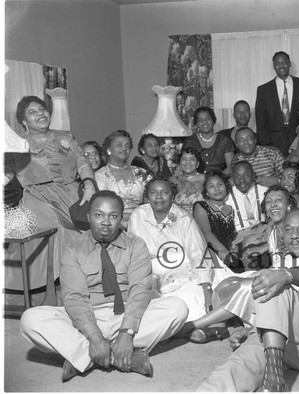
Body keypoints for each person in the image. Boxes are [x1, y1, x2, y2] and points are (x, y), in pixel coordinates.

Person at [20, 191, 188, 382]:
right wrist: (94, 336)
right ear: (88, 216)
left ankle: (82, 356)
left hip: (127, 314)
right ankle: (122, 356)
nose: (106, 222)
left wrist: (127, 332)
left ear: (121, 218)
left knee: (178, 308)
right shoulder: (73, 249)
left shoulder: (136, 245)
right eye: (99, 215)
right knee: (31, 319)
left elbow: (139, 290)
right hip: (88, 317)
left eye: (113, 216)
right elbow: (74, 297)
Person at [197, 209, 299, 392]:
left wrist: (285, 276)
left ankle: (274, 376)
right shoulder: (279, 265)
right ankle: (270, 375)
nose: (294, 236)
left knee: (273, 283)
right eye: (288, 230)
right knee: (232, 370)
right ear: (282, 235)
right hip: (282, 344)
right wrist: (253, 330)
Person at [179, 185, 297, 342]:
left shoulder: (296, 226)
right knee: (227, 283)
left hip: (293, 281)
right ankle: (219, 328)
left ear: (289, 205)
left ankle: (193, 325)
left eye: (278, 201)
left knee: (247, 287)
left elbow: (296, 262)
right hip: (274, 274)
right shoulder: (273, 229)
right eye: (269, 202)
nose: (273, 205)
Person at [4, 96, 96, 291]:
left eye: (42, 109)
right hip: (36, 198)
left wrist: (89, 184)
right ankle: (43, 292)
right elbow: (6, 173)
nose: (40, 114)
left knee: (87, 232)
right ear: (23, 122)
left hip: (70, 193)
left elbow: (82, 162)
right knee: (45, 237)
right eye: (32, 112)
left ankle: (87, 285)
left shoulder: (66, 137)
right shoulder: (16, 143)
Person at [128, 177, 221, 324]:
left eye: (164, 192)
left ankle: (194, 326)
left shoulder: (184, 219)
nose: (159, 197)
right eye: (153, 192)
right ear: (147, 196)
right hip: (149, 271)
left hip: (183, 270)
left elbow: (198, 253)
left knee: (197, 301)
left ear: (173, 196)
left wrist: (207, 288)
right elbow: (132, 252)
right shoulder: (137, 215)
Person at [255, 51, 299, 155]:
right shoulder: (263, 90)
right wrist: (266, 145)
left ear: (289, 64)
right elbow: (261, 122)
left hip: (298, 139)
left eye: (284, 62)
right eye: (277, 63)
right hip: (273, 142)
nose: (281, 66)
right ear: (273, 66)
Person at [95, 130, 149, 228]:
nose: (124, 148)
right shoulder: (101, 175)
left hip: (142, 223)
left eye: (127, 146)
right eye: (119, 145)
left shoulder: (141, 172)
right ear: (108, 149)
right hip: (112, 225)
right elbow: (101, 206)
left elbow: (149, 201)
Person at [193, 169, 236, 264]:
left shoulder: (231, 209)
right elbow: (205, 232)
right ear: (206, 191)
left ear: (226, 187)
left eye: (220, 184)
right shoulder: (201, 206)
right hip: (209, 254)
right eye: (211, 186)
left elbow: (233, 236)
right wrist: (221, 249)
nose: (217, 189)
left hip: (230, 255)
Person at [183, 106, 234, 174]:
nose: (204, 122)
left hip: (220, 181)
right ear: (196, 124)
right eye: (200, 120)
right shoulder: (190, 142)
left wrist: (217, 179)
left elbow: (231, 167)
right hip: (196, 182)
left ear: (213, 121)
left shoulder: (224, 141)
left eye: (207, 118)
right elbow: (185, 166)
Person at [227, 160, 268, 232]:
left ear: (253, 175)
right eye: (237, 176)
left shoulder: (265, 192)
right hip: (239, 238)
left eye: (246, 175)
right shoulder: (227, 198)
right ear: (232, 178)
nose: (242, 180)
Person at [170, 147, 205, 214]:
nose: (187, 162)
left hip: (201, 220)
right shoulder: (172, 181)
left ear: (197, 164)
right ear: (180, 163)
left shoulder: (206, 180)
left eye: (192, 159)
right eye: (184, 159)